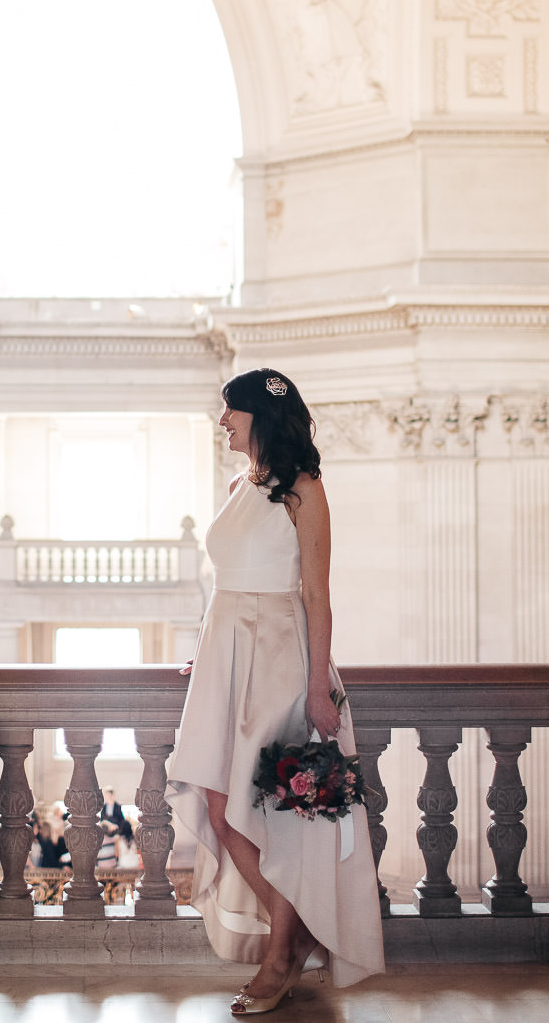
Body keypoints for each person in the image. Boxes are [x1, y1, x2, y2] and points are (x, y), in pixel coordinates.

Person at [166, 368, 384, 1015]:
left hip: (284, 661)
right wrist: (209, 654)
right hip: (227, 660)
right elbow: (227, 584)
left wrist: (319, 691)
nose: (222, 421)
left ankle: (282, 953)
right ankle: (292, 936)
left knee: (282, 813)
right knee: (216, 800)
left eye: (229, 411)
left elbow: (317, 597)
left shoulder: (305, 490)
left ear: (257, 414)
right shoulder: (241, 485)